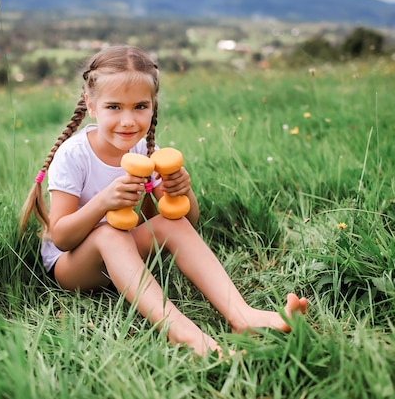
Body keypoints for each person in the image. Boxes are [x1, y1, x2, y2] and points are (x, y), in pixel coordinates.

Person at [19, 45, 307, 356]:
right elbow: (61, 238)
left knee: (170, 223)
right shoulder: (75, 155)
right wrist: (103, 202)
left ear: (153, 106)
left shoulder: (144, 151)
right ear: (90, 103)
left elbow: (184, 221)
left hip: (126, 256)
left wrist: (182, 190)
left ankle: (242, 315)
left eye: (140, 106)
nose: (128, 120)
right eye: (114, 107)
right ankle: (180, 331)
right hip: (74, 267)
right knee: (108, 231)